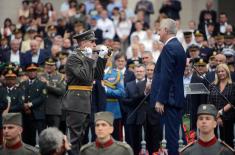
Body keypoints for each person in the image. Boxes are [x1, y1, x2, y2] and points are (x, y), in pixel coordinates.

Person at [63, 30, 108, 155]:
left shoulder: (88, 55)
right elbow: (86, 77)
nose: (95, 44)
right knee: (75, 137)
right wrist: (89, 58)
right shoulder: (74, 57)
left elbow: (98, 76)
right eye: (92, 41)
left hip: (85, 100)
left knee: (82, 136)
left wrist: (103, 58)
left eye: (95, 41)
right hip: (76, 100)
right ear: (83, 43)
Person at [150, 18, 186, 155]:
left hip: (169, 101)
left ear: (165, 30)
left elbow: (167, 76)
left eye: (159, 29)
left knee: (171, 139)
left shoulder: (169, 48)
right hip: (173, 98)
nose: (158, 32)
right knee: (172, 137)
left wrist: (160, 100)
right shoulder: (177, 46)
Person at [208, 63, 235, 147]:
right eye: (218, 72)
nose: (220, 73)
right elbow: (210, 101)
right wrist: (217, 116)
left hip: (228, 117)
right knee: (215, 142)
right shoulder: (212, 85)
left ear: (227, 72)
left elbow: (232, 102)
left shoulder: (233, 86)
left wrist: (220, 112)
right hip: (214, 117)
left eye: (222, 71)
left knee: (228, 142)